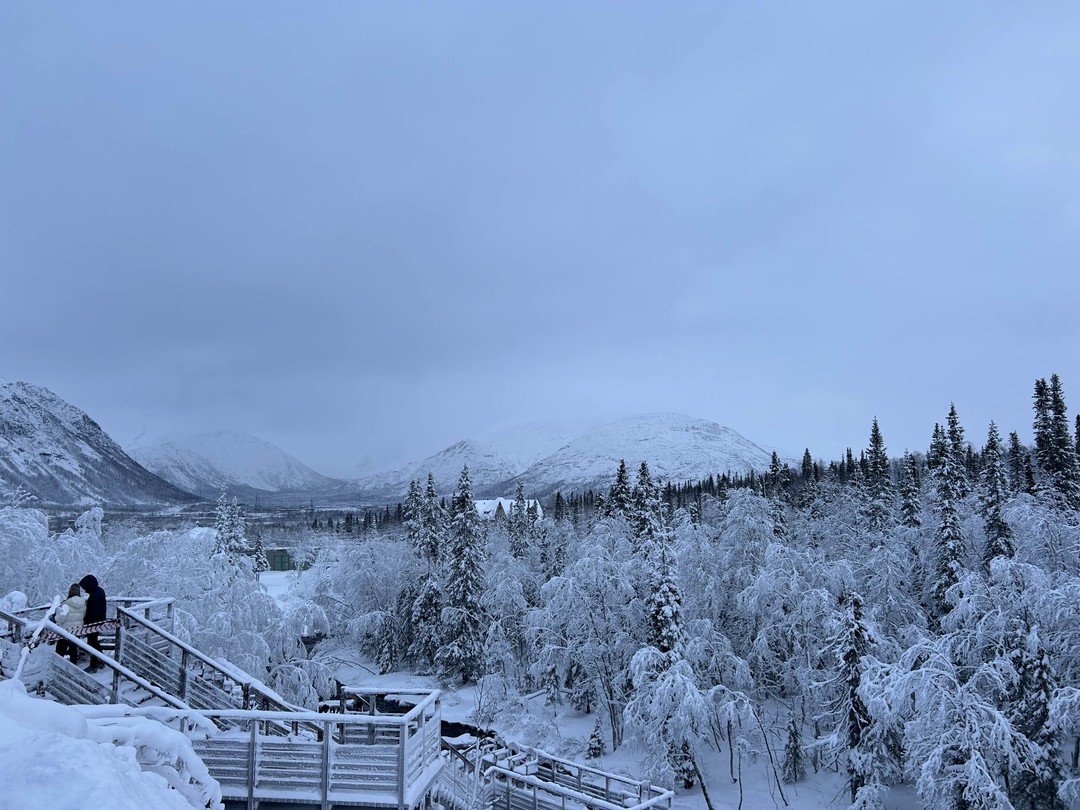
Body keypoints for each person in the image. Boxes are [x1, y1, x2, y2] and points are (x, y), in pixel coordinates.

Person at [78, 574, 106, 672]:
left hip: (94, 623)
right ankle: (101, 660)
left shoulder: (95, 595)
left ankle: (94, 664)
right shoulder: (98, 592)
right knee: (94, 642)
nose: (84, 589)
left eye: (85, 587)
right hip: (97, 622)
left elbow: (94, 611)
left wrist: (86, 622)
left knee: (92, 643)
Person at [54, 583, 86, 665]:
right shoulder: (84, 603)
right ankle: (73, 666)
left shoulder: (66, 604)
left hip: (66, 631)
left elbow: (61, 618)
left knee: (60, 650)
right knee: (73, 649)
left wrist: (55, 618)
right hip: (77, 630)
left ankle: (57, 666)